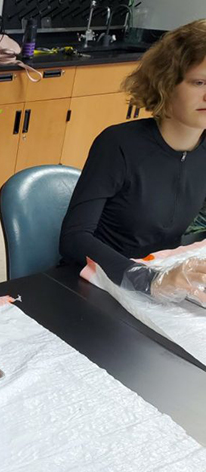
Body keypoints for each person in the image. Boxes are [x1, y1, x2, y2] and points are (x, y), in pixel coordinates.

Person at [60, 19, 206, 304]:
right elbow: (74, 239)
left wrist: (162, 278)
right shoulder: (119, 144)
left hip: (161, 283)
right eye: (199, 82)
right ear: (166, 83)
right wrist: (148, 279)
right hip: (97, 285)